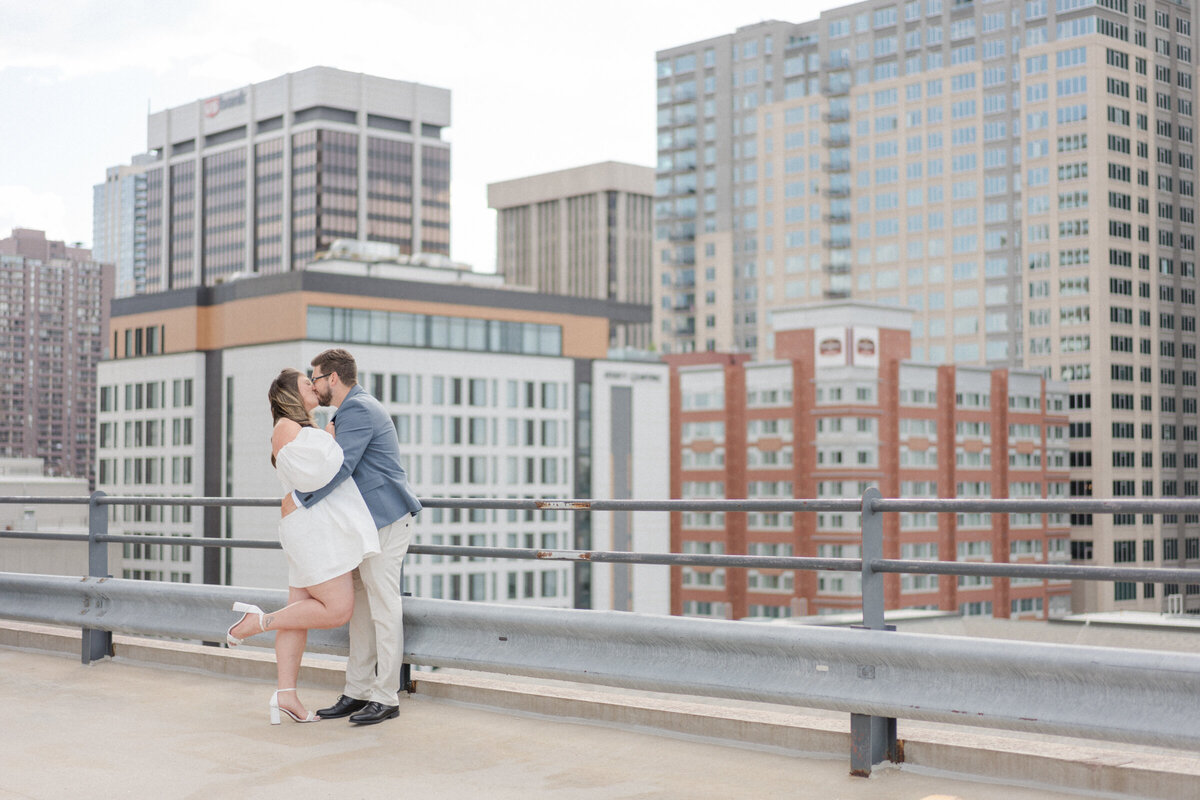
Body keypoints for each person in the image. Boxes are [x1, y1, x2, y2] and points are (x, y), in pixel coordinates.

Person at [226, 368, 381, 725]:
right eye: (305, 384)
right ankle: (257, 621)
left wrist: (324, 435)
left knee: (298, 611)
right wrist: (329, 436)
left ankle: (286, 695)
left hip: (310, 525)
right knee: (339, 608)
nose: (313, 387)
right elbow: (321, 472)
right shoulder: (286, 428)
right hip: (312, 529)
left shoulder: (298, 429)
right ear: (289, 395)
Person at [283, 348, 422, 726]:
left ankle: (386, 696)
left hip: (386, 522)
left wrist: (300, 500)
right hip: (363, 526)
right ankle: (358, 691)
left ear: (332, 378)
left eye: (315, 378)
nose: (312, 385)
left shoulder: (359, 409)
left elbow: (341, 467)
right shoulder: (349, 411)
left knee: (383, 606)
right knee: (360, 608)